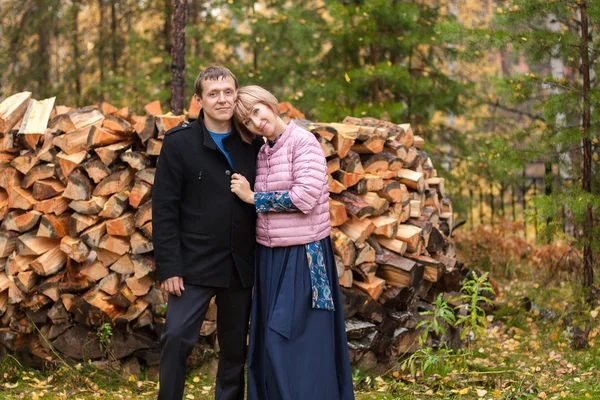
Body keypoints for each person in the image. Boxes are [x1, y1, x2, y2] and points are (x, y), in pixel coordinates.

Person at [230, 85, 355, 400]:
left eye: (257, 111)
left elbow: (305, 197)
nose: (256, 122)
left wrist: (252, 197)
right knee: (267, 339)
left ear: (270, 104)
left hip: (304, 255)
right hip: (269, 257)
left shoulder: (303, 141)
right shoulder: (263, 151)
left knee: (292, 339)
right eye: (247, 121)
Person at [152, 66, 261, 400]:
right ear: (199, 100)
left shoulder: (252, 143)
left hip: (239, 265)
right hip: (193, 265)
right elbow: (164, 208)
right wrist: (170, 267)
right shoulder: (179, 143)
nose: (222, 99)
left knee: (233, 352)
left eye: (228, 92)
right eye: (214, 94)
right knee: (176, 338)